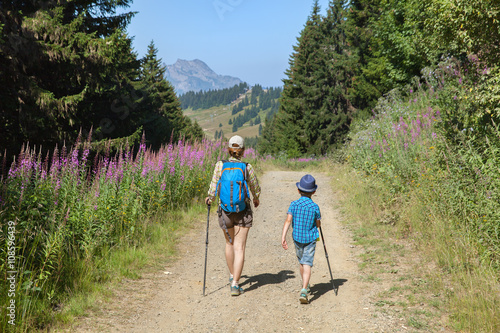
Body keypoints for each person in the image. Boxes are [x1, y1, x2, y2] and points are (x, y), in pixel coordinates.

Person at [205, 135, 261, 296]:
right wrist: (256, 198)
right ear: (243, 150)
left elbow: (214, 184)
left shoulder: (220, 165)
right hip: (243, 211)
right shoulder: (246, 167)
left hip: (225, 210)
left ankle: (232, 275)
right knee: (240, 247)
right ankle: (235, 284)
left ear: (228, 149)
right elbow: (255, 186)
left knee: (229, 244)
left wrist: (210, 198)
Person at [281, 174, 321, 304]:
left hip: (297, 238)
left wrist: (283, 237)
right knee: (307, 262)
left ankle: (305, 284)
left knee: (301, 262)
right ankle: (304, 288)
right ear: (314, 191)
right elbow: (318, 223)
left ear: (298, 190)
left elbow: (288, 221)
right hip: (310, 239)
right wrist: (317, 224)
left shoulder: (293, 204)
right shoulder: (315, 207)